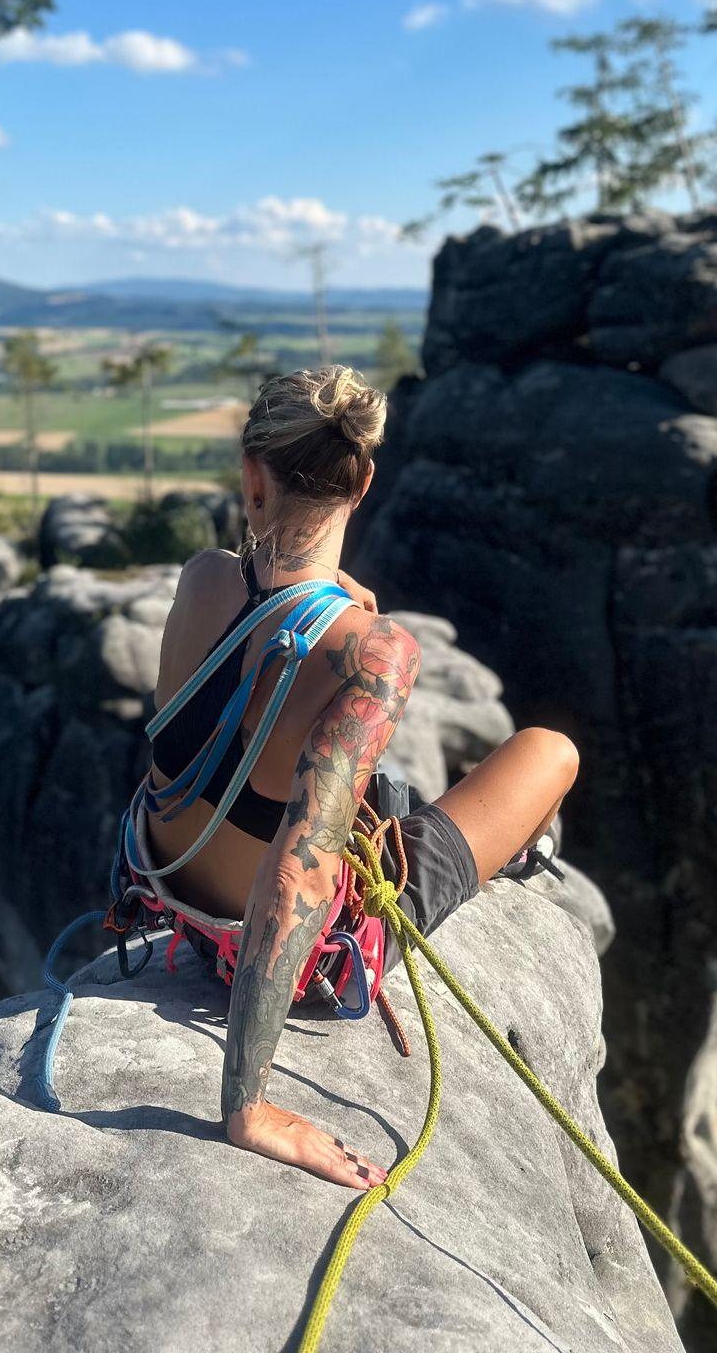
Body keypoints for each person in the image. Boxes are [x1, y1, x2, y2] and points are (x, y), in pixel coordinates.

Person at [147, 364, 579, 1190]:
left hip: (170, 892)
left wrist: (346, 612)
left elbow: (247, 662)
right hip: (271, 947)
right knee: (551, 753)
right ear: (366, 479)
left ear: (251, 475)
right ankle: (527, 846)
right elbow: (302, 874)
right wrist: (248, 1107)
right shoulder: (376, 654)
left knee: (380, 798)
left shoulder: (201, 578)